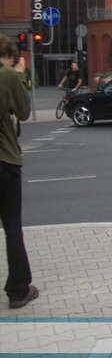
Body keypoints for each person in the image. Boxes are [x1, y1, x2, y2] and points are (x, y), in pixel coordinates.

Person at [0, 33, 38, 309]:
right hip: (4, 160)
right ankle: (18, 290)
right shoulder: (8, 76)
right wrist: (19, 76)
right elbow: (24, 112)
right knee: (12, 226)